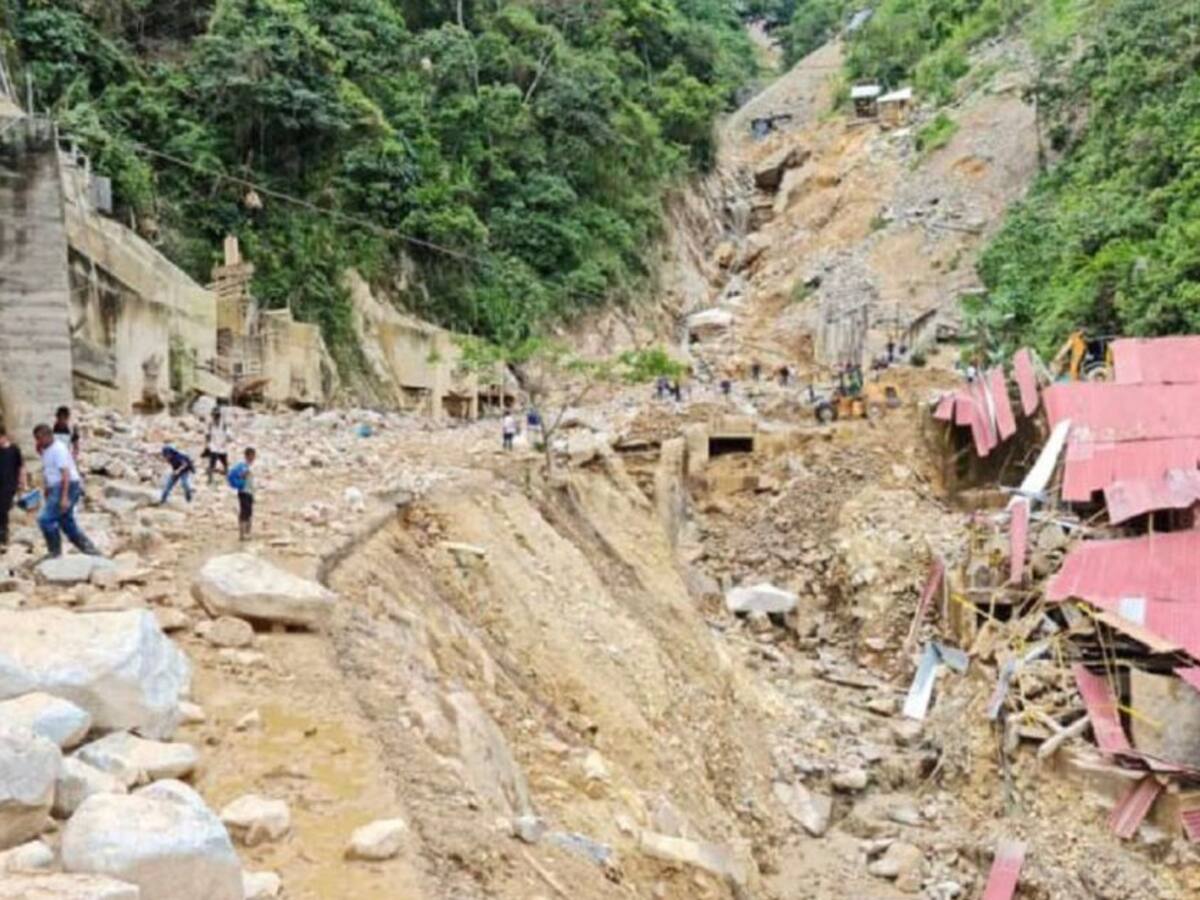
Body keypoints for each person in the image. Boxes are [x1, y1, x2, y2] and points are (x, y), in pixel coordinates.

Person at [33, 423, 98, 558]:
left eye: (39, 438)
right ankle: (89, 549)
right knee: (66, 521)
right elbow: (48, 470)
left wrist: (64, 498)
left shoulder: (59, 449)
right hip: (56, 486)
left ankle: (55, 552)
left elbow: (65, 474)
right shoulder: (47, 449)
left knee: (45, 519)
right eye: (36, 439)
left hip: (66, 485)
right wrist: (47, 488)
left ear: (48, 436)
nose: (38, 442)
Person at [0, 427, 29, 549]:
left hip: (9, 485)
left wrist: (23, 483)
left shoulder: (14, 450)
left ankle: (3, 536)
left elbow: (21, 467)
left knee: (2, 509)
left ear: (3, 436)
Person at [228, 448, 256, 541]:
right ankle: (242, 534)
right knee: (244, 513)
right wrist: (243, 476)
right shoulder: (242, 466)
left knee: (249, 512)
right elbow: (240, 476)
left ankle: (247, 533)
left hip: (249, 492)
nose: (253, 458)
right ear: (247, 456)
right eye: (252, 455)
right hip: (243, 491)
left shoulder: (248, 466)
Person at [205, 408, 231, 484]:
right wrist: (207, 445)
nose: (216, 417)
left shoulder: (224, 425)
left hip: (222, 447)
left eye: (217, 415)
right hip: (214, 447)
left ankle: (228, 478)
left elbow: (229, 435)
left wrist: (226, 440)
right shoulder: (210, 425)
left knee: (225, 464)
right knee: (212, 464)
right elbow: (207, 435)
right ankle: (209, 479)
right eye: (214, 415)